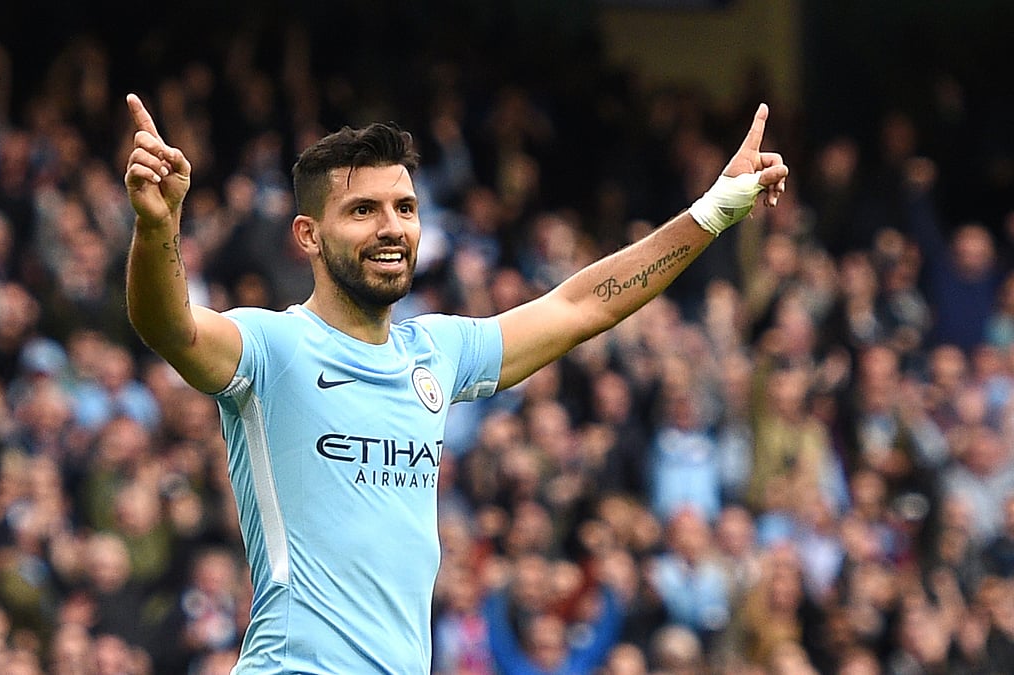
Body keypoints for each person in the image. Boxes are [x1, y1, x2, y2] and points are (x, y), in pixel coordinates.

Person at [123, 92, 787, 673]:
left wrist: (715, 210)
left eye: (405, 207)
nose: (391, 226)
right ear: (308, 235)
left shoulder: (435, 351)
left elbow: (584, 305)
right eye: (362, 210)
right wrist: (157, 225)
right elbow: (169, 327)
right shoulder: (272, 347)